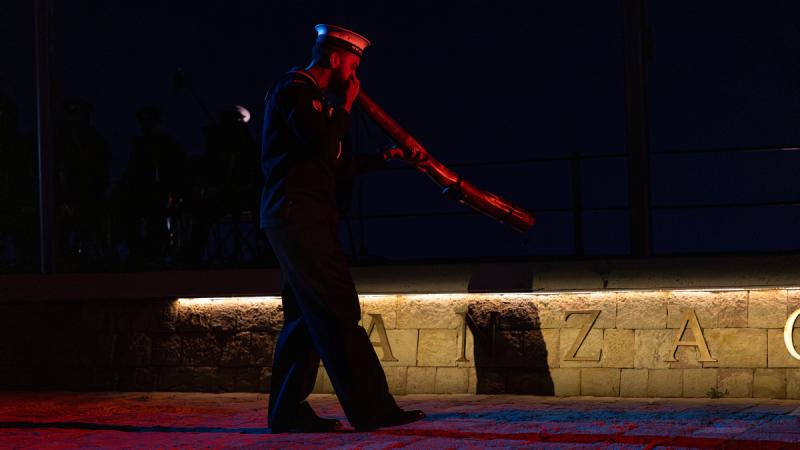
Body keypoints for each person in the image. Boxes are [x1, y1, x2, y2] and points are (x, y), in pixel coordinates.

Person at [260, 24, 428, 433]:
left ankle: (287, 413)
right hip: (300, 217)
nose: (355, 76)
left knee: (305, 319)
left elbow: (333, 163)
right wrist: (347, 106)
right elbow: (323, 147)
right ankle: (373, 410)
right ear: (335, 59)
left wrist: (388, 157)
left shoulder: (309, 98)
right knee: (338, 310)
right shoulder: (296, 91)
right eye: (353, 65)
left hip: (295, 216)